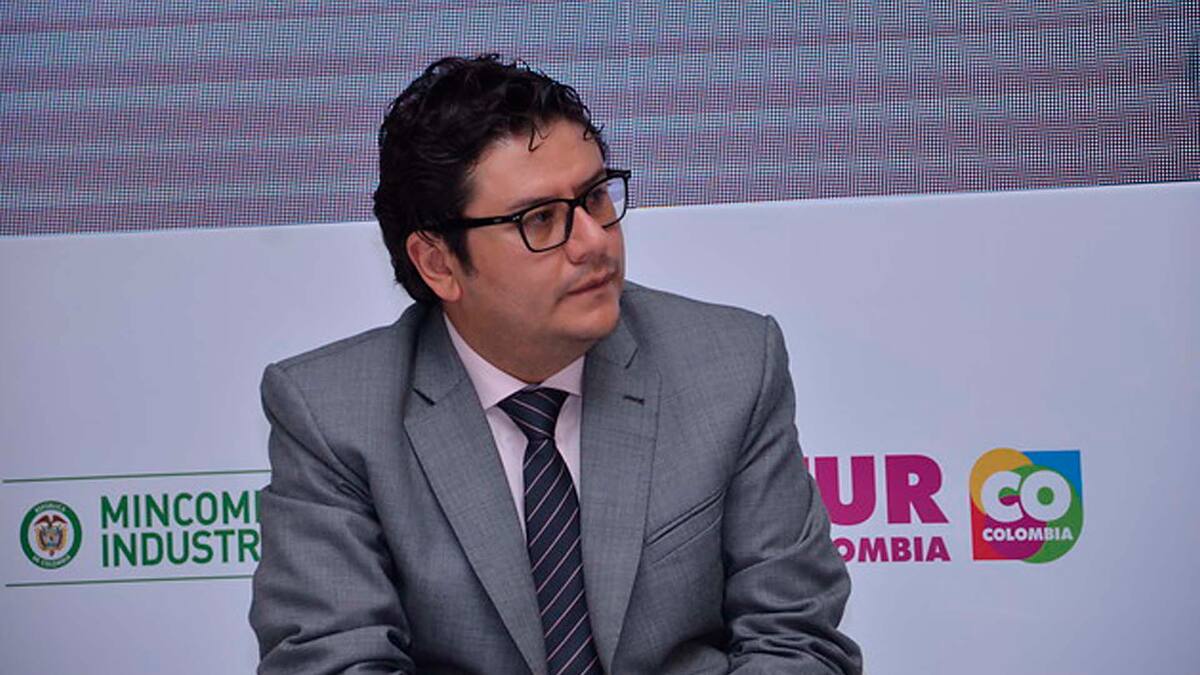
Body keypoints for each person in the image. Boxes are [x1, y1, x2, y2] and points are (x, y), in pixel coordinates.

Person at [250, 54, 862, 675]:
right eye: (539, 219)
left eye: (595, 197)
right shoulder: (333, 417)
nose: (594, 241)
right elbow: (334, 662)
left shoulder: (731, 367)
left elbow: (796, 642)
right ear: (438, 263)